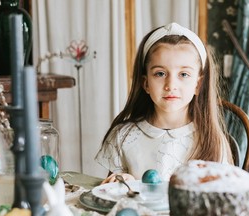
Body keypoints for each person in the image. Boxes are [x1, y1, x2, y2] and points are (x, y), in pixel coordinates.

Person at [95, 22, 233, 183]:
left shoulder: (211, 140)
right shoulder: (123, 137)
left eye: (183, 74)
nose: (171, 85)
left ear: (198, 84)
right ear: (145, 83)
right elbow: (110, 196)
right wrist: (123, 182)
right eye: (160, 73)